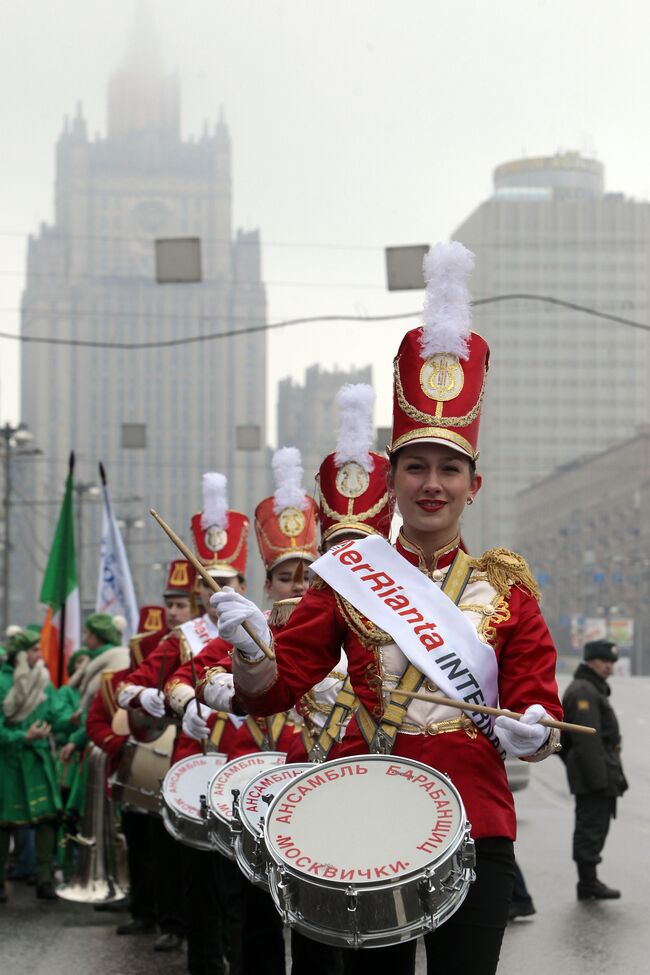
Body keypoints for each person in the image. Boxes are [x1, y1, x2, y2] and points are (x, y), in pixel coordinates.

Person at [207, 242, 563, 975]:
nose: (432, 483)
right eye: (416, 466)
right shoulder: (348, 577)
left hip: (476, 817)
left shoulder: (508, 586)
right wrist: (247, 645)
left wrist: (532, 728)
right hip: (364, 812)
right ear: (394, 478)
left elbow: (536, 696)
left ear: (474, 483)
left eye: (449, 469)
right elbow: (276, 685)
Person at [0, 628, 68, 901]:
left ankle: (44, 879)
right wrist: (22, 735)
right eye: (34, 650)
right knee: (4, 822)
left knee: (47, 819)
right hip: (9, 763)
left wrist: (71, 721)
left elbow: (54, 714)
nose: (40, 655)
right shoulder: (3, 682)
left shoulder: (43, 680)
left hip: (39, 760)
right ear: (19, 655)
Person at [561, 639, 627, 900]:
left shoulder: (591, 688)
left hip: (600, 771)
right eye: (604, 661)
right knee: (590, 827)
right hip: (594, 775)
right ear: (589, 660)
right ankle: (587, 883)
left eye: (612, 662)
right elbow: (587, 741)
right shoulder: (584, 691)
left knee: (595, 827)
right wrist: (599, 780)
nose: (609, 667)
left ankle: (589, 881)